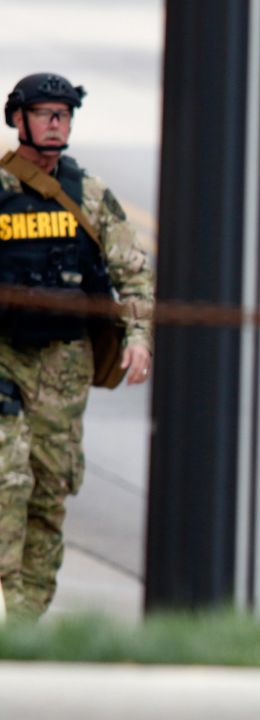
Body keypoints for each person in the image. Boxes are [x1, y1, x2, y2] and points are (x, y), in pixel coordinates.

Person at [0, 72, 154, 618]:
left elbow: (133, 273)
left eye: (64, 115)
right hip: (5, 357)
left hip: (65, 364)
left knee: (47, 493)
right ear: (18, 118)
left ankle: (24, 619)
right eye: (45, 113)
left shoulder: (87, 194)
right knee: (7, 478)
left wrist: (138, 338)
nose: (56, 124)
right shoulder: (1, 189)